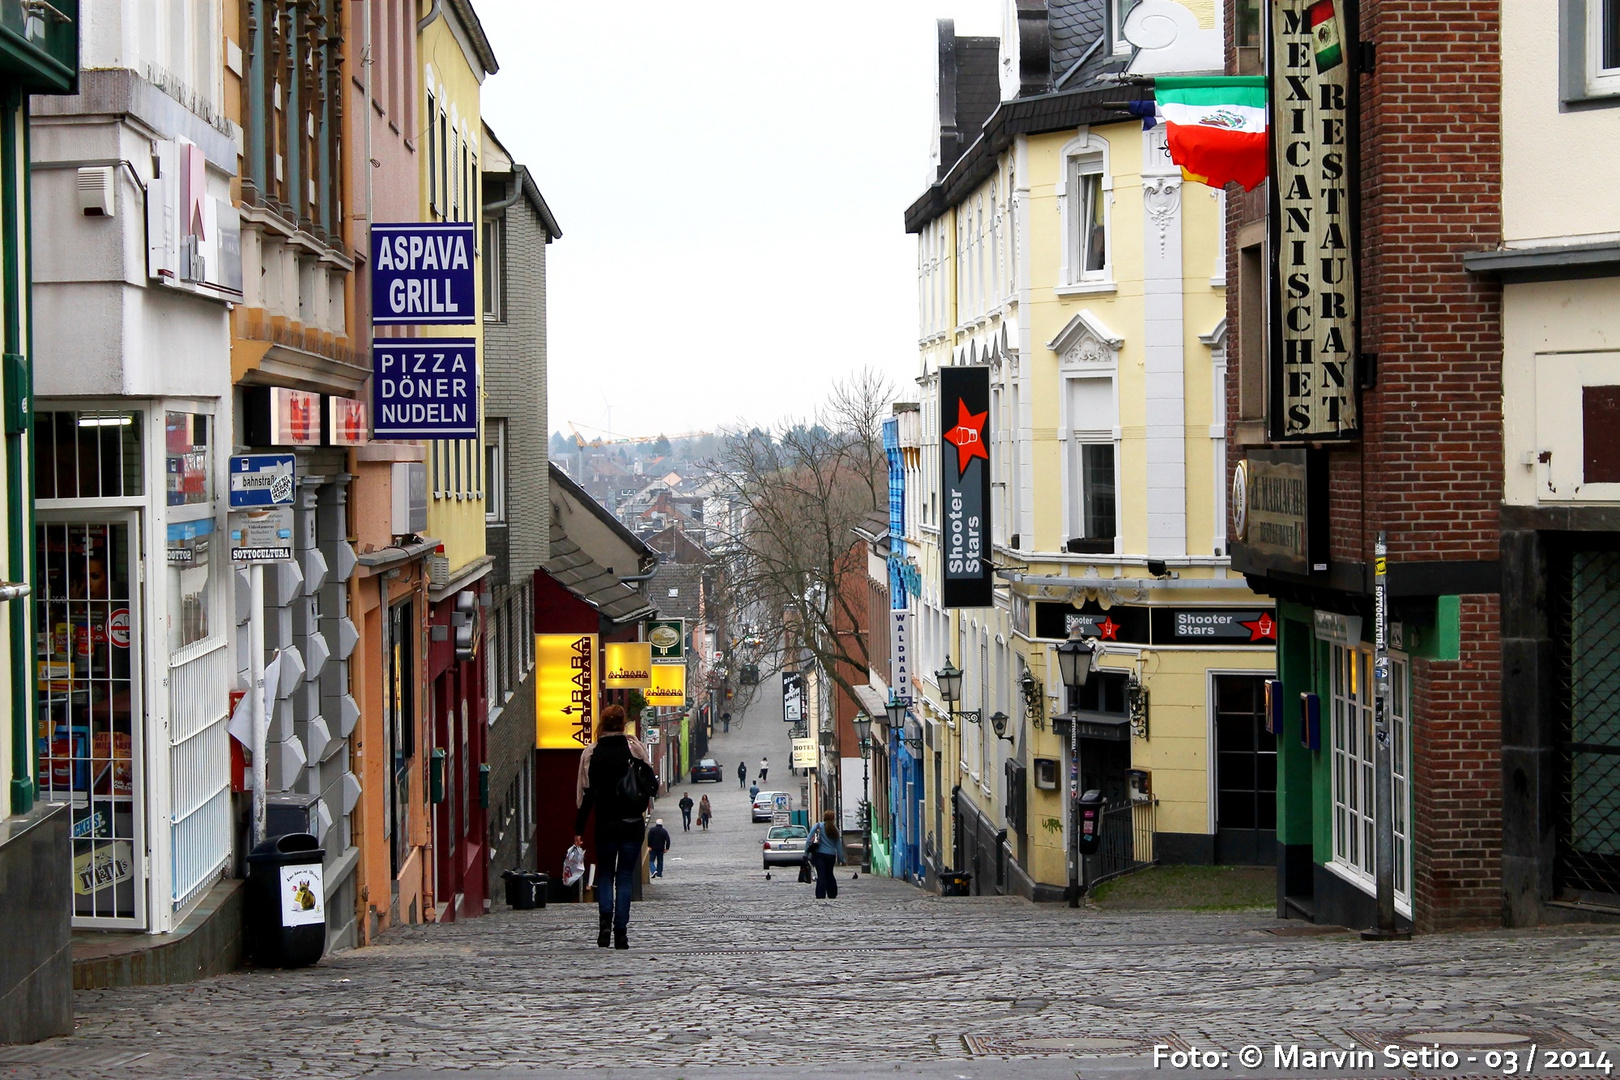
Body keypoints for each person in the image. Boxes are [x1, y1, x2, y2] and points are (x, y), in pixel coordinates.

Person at [574, 703, 654, 949]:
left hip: (605, 824)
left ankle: (604, 926)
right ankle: (621, 932)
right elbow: (651, 785)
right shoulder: (634, 749)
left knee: (606, 874)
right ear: (623, 724)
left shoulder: (592, 753)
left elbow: (586, 796)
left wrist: (578, 829)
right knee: (625, 877)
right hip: (632, 824)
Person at [807, 810, 845, 900]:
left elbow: (808, 840)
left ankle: (820, 894)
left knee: (821, 875)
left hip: (818, 854)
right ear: (833, 818)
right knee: (829, 874)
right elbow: (838, 846)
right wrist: (842, 859)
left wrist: (806, 853)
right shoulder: (835, 829)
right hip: (830, 855)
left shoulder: (818, 826)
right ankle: (832, 893)